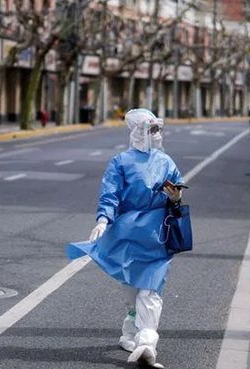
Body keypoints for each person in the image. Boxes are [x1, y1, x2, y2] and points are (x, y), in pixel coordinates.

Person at [66, 109, 183, 368]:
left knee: (151, 288)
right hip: (127, 233)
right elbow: (110, 194)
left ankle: (146, 341)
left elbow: (178, 188)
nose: (158, 134)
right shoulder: (120, 162)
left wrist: (176, 198)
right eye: (152, 130)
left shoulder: (166, 161)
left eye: (158, 129)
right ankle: (130, 332)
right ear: (140, 132)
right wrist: (103, 220)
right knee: (131, 286)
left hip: (157, 235)